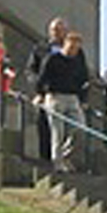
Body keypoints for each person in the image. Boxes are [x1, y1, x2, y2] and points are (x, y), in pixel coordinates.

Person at [35, 29, 90, 167]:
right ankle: (57, 163)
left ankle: (66, 155)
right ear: (65, 44)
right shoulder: (53, 58)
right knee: (57, 132)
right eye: (71, 47)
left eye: (76, 48)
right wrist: (40, 94)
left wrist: (83, 100)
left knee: (80, 128)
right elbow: (42, 78)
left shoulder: (77, 61)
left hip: (72, 98)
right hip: (55, 96)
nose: (73, 51)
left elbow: (84, 81)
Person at [27, 16, 68, 159]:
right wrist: (38, 91)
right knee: (44, 126)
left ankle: (65, 158)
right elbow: (31, 70)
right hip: (47, 94)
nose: (56, 33)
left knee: (69, 129)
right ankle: (45, 159)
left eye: (60, 30)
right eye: (54, 30)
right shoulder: (41, 48)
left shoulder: (72, 50)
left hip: (67, 94)